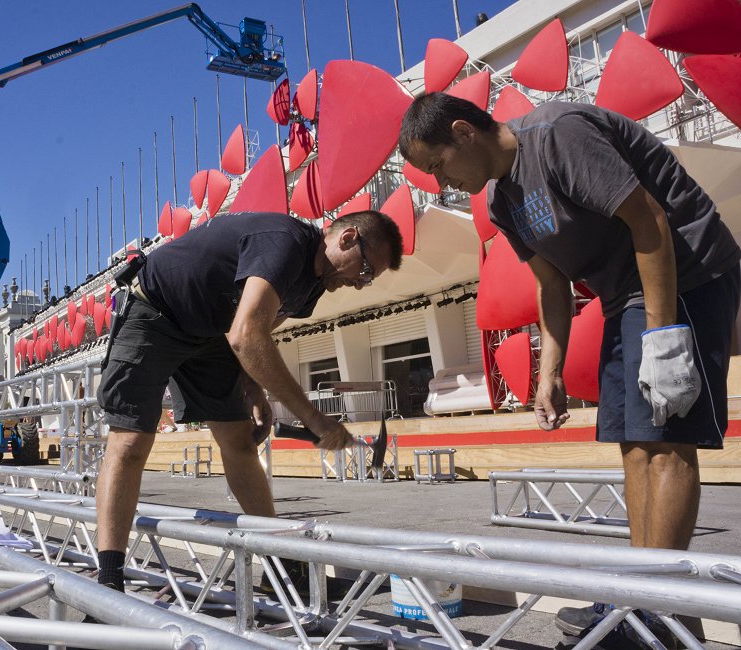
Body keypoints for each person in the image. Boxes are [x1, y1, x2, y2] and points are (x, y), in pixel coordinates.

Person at [399, 93, 740, 645]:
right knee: (632, 443)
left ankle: (655, 612)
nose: (443, 183)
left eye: (437, 166)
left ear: (463, 131)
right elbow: (551, 286)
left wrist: (664, 337)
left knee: (665, 442)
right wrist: (548, 373)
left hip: (687, 271)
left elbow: (649, 220)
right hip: (620, 297)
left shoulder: (558, 136)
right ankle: (652, 605)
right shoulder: (502, 203)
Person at [94, 210, 403, 591]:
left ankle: (278, 571)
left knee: (240, 443)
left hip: (211, 336)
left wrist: (253, 388)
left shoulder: (314, 287)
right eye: (367, 271)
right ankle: (108, 583)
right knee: (130, 442)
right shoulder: (284, 242)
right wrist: (315, 419)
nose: (361, 285)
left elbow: (253, 332)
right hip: (155, 311)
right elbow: (246, 335)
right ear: (348, 238)